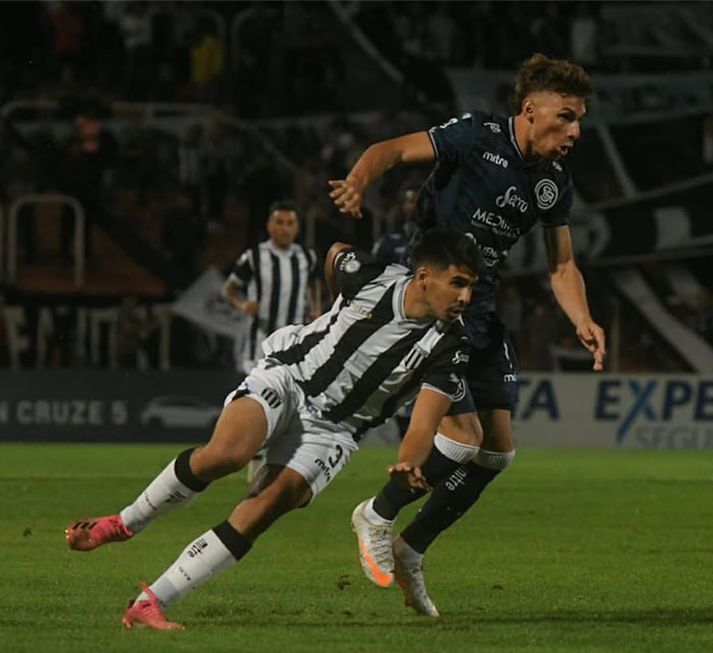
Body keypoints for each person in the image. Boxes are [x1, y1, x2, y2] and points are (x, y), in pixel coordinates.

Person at [64, 229, 485, 630]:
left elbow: (425, 420)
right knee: (228, 453)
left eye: (471, 287)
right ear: (424, 277)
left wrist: (407, 462)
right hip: (289, 375)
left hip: (335, 429)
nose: (465, 297)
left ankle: (149, 603)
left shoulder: (452, 344)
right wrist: (331, 311)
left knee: (262, 509)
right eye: (458, 284)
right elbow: (336, 252)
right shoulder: (370, 275)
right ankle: (124, 523)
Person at [328, 53, 605, 617]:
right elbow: (391, 151)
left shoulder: (552, 182)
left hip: (482, 309)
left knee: (496, 452)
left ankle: (410, 549)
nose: (575, 131)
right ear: (531, 110)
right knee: (459, 439)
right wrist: (357, 183)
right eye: (566, 117)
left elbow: (561, 266)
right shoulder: (475, 135)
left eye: (580, 121)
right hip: (435, 307)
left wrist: (581, 317)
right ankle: (378, 514)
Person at [223, 201, 322, 481]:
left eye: (290, 223)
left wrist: (315, 307)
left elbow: (315, 283)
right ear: (269, 226)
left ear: (297, 228)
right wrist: (242, 304)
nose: (284, 229)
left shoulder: (306, 257)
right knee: (257, 402)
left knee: (291, 405)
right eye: (279, 222)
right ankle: (255, 462)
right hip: (260, 344)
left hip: (294, 345)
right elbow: (229, 289)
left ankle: (277, 463)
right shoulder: (254, 256)